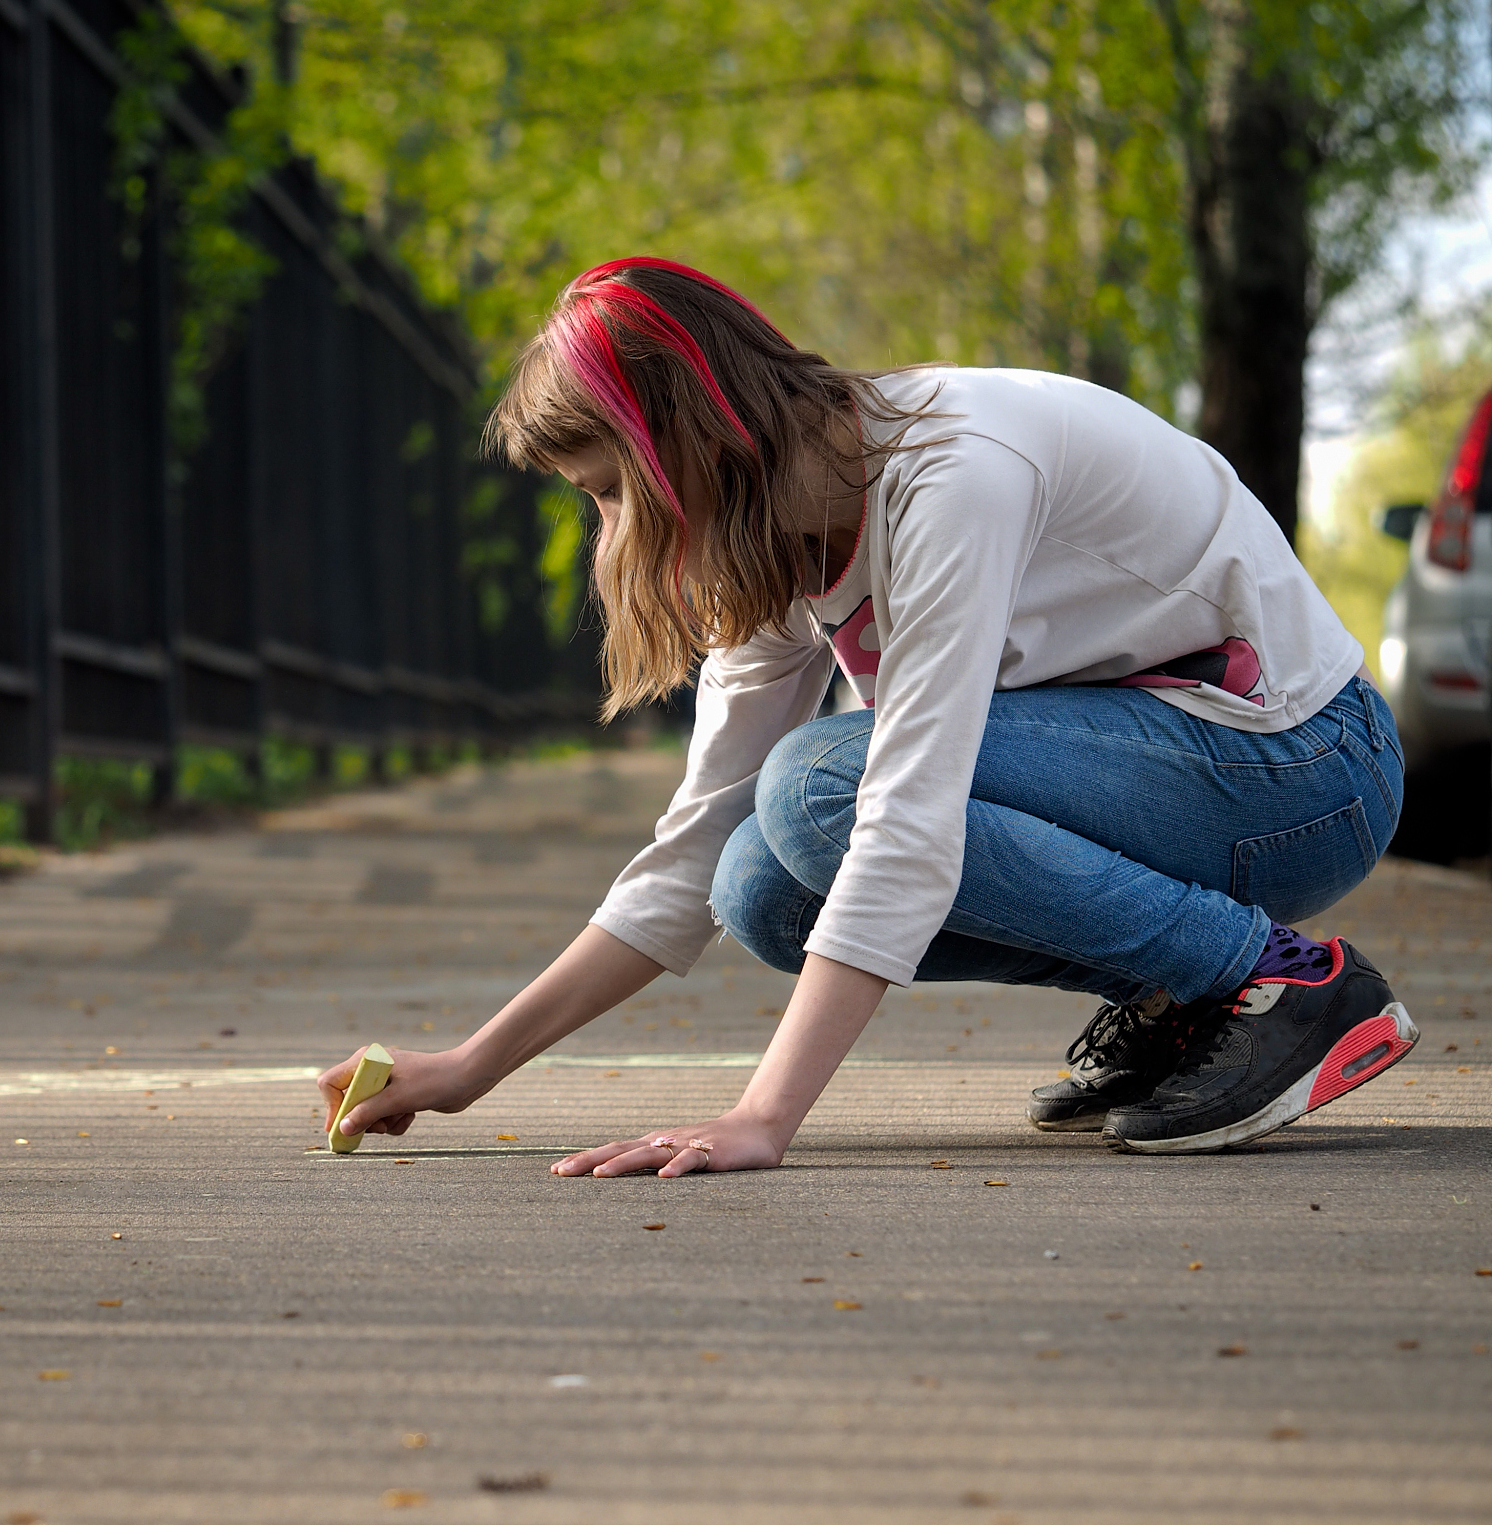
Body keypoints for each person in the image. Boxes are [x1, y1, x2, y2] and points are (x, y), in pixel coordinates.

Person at [318, 257, 1416, 1174]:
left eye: (610, 489)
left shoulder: (951, 471)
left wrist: (761, 1118)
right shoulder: (769, 534)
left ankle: (1278, 980)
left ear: (687, 438)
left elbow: (904, 815)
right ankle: (1190, 996)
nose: (608, 531)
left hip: (1305, 768)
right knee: (757, 885)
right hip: (1182, 777)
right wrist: (470, 1067)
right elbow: (692, 845)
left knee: (819, 789)